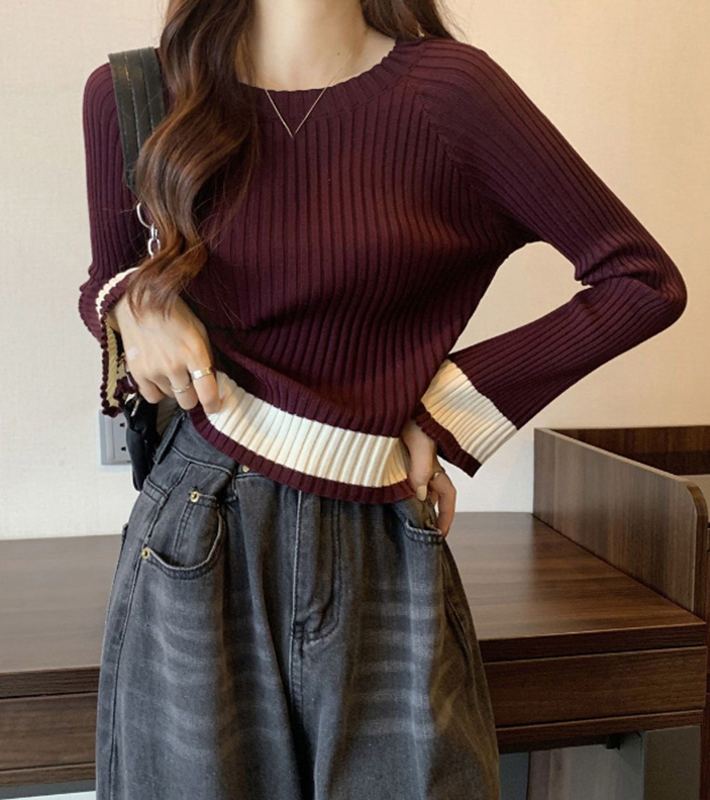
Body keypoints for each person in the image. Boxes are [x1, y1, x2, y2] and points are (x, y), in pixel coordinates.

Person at [78, 1, 688, 798]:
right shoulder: (135, 94)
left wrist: (449, 411)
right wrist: (130, 303)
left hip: (379, 531)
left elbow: (642, 282)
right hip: (197, 526)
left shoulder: (453, 94)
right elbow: (107, 279)